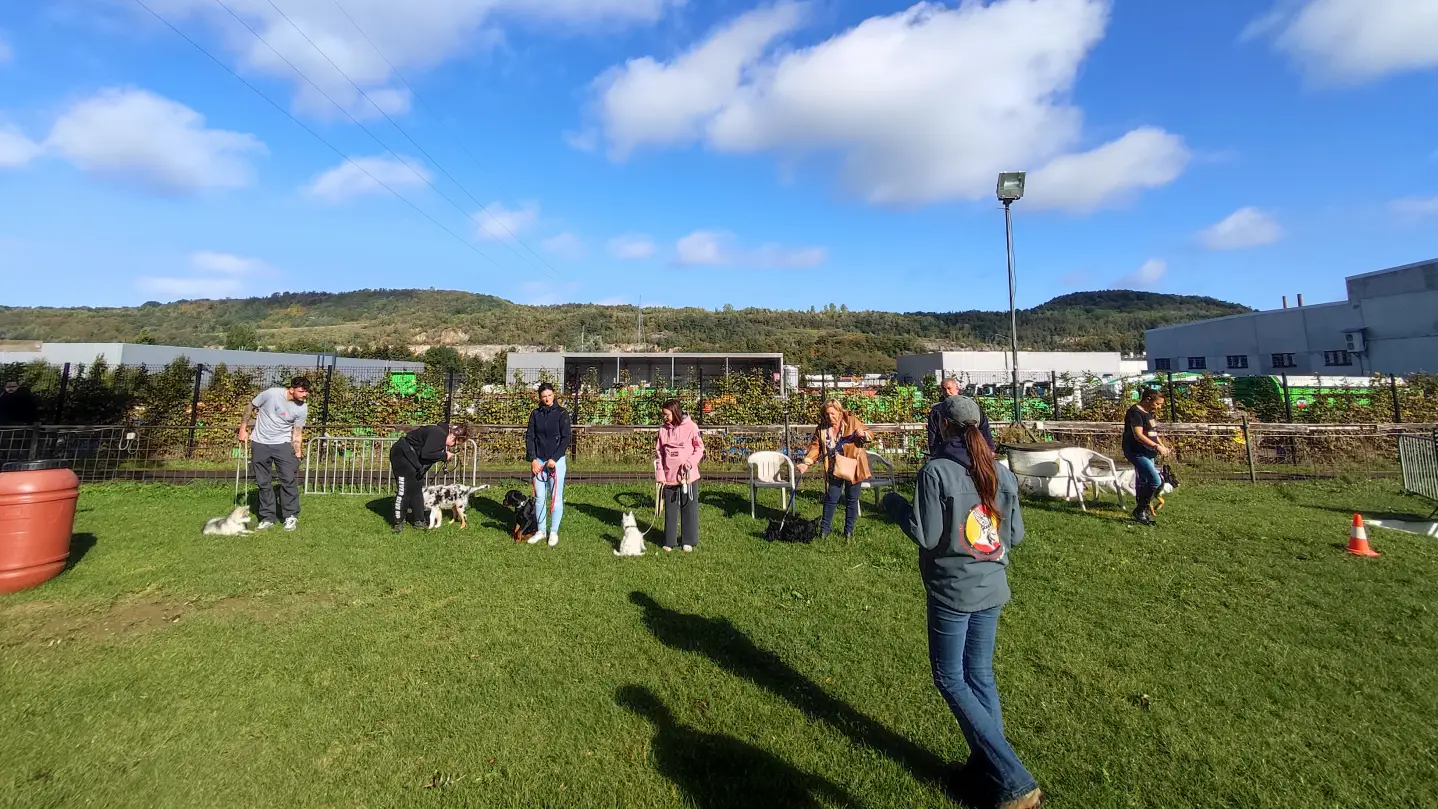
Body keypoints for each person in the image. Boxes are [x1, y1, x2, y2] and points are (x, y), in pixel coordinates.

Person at [882, 395, 1042, 809]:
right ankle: (985, 768)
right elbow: (1016, 536)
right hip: (992, 587)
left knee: (950, 678)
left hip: (953, 590)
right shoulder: (999, 471)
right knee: (980, 677)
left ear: (943, 427)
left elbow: (926, 534)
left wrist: (893, 503)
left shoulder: (936, 471)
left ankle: (1014, 780)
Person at [238, 376, 310, 532]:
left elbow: (297, 433)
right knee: (263, 482)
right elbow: (250, 406)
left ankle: (290, 516)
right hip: (259, 442)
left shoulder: (302, 408)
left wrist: (298, 454)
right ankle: (267, 517)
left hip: (282, 445)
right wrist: (243, 429)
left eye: (306, 392)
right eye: (301, 391)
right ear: (292, 389)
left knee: (288, 480)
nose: (305, 394)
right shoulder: (271, 394)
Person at [796, 400, 873, 539]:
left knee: (851, 500)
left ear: (839, 411)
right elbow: (815, 447)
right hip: (833, 468)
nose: (829, 417)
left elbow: (870, 435)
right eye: (827, 414)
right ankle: (824, 532)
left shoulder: (852, 421)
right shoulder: (822, 428)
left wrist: (863, 434)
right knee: (831, 498)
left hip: (853, 466)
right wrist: (806, 463)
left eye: (832, 413)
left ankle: (848, 533)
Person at [389, 422, 469, 534]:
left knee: (417, 489)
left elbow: (428, 452)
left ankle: (419, 520)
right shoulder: (439, 433)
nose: (452, 446)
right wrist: (445, 456)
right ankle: (399, 522)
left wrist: (442, 454)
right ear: (452, 435)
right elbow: (426, 454)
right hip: (401, 455)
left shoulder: (439, 433)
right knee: (404, 489)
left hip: (411, 458)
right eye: (455, 442)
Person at [524, 382, 572, 547]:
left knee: (555, 498)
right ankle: (541, 530)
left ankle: (553, 532)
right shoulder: (535, 414)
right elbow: (530, 437)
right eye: (544, 396)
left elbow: (566, 438)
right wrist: (533, 459)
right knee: (539, 498)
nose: (547, 399)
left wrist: (555, 458)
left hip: (556, 462)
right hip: (539, 461)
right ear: (539, 397)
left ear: (554, 395)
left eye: (549, 395)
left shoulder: (562, 413)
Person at [654, 399, 705, 553]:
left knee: (689, 507)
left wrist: (690, 463)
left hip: (687, 476)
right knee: (670, 509)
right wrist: (660, 475)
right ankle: (669, 540)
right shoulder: (662, 430)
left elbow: (699, 448)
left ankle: (688, 540)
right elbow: (658, 454)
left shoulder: (691, 427)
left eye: (667, 414)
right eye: (663, 415)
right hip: (669, 477)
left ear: (675, 412)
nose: (664, 417)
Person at [1124, 388, 1172, 525]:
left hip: (1148, 451)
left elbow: (1152, 433)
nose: (1159, 407)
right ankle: (1140, 510)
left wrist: (1161, 445)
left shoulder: (1148, 413)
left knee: (1144, 481)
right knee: (1155, 480)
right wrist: (1157, 447)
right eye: (1158, 404)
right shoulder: (1135, 413)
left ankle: (1142, 511)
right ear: (1148, 400)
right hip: (1136, 451)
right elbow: (1138, 435)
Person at [927, 377, 995, 455]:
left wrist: (990, 449)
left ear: (957, 389)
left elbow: (984, 428)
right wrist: (934, 452)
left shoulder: (971, 407)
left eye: (949, 388)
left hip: (973, 449)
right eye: (944, 389)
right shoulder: (937, 410)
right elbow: (932, 434)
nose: (947, 392)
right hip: (948, 451)